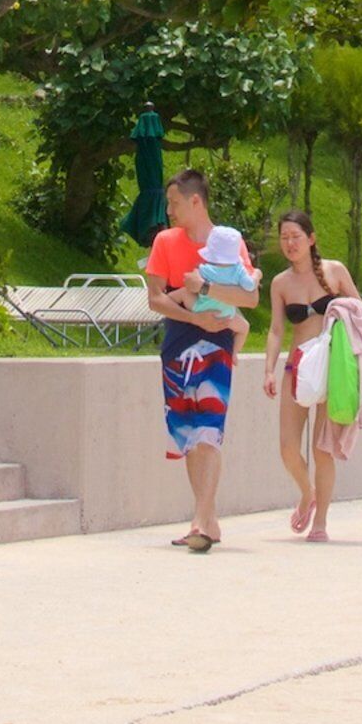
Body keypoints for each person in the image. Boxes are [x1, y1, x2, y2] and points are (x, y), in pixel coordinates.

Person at [142, 169, 248, 551]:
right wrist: (193, 318)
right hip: (178, 344)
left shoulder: (228, 242)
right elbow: (155, 299)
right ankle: (209, 519)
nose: (169, 211)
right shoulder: (165, 241)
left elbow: (250, 297)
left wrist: (205, 289)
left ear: (195, 201)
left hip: (217, 341)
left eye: (173, 203)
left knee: (209, 430)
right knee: (188, 433)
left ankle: (199, 521)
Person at [259, 209, 362, 543]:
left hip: (332, 368)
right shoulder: (280, 283)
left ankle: (320, 521)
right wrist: (268, 369)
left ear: (311, 239)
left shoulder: (334, 271)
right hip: (298, 367)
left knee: (322, 449)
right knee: (287, 448)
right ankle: (306, 492)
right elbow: (276, 330)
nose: (290, 243)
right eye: (284, 237)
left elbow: (360, 314)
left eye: (296, 236)